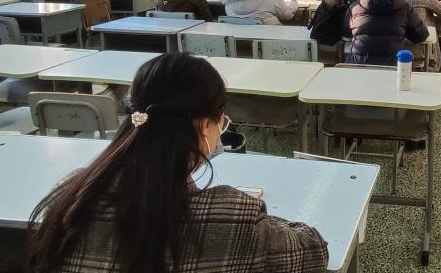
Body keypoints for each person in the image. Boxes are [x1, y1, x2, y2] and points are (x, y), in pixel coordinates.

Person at [25, 53, 328, 272]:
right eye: (221, 121)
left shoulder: (73, 195)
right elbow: (315, 251)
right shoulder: (235, 218)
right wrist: (261, 217)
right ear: (204, 126)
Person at [345, 0, 428, 65]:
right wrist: (403, 31)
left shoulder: (355, 8)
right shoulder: (405, 9)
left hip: (358, 66)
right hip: (393, 68)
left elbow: (346, 33)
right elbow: (421, 36)